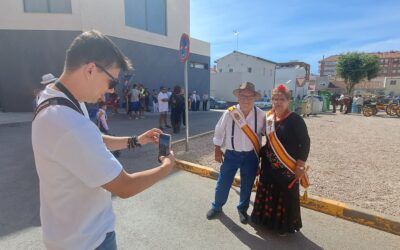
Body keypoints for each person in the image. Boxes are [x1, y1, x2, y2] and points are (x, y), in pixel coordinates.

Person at [31, 30, 175, 250]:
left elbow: (94, 139)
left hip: (71, 235)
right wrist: (166, 168)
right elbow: (125, 187)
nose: (110, 91)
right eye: (112, 82)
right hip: (87, 241)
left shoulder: (60, 98)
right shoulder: (67, 122)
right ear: (91, 69)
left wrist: (136, 140)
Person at [251, 84, 310, 235]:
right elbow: (266, 140)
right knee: (268, 191)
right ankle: (265, 222)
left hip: (287, 166)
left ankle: (283, 227)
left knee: (284, 195)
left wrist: (300, 165)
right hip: (269, 165)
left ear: (288, 101)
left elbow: (305, 142)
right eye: (275, 99)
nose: (278, 102)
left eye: (281, 99)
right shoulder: (270, 118)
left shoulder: (295, 119)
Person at [206, 82, 265, 224]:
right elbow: (219, 130)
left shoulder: (261, 115)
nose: (246, 99)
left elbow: (268, 133)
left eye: (250, 96)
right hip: (231, 154)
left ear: (254, 98)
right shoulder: (229, 113)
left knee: (247, 184)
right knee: (223, 182)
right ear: (238, 96)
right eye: (243, 95)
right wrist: (217, 148)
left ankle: (242, 209)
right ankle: (217, 207)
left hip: (251, 156)